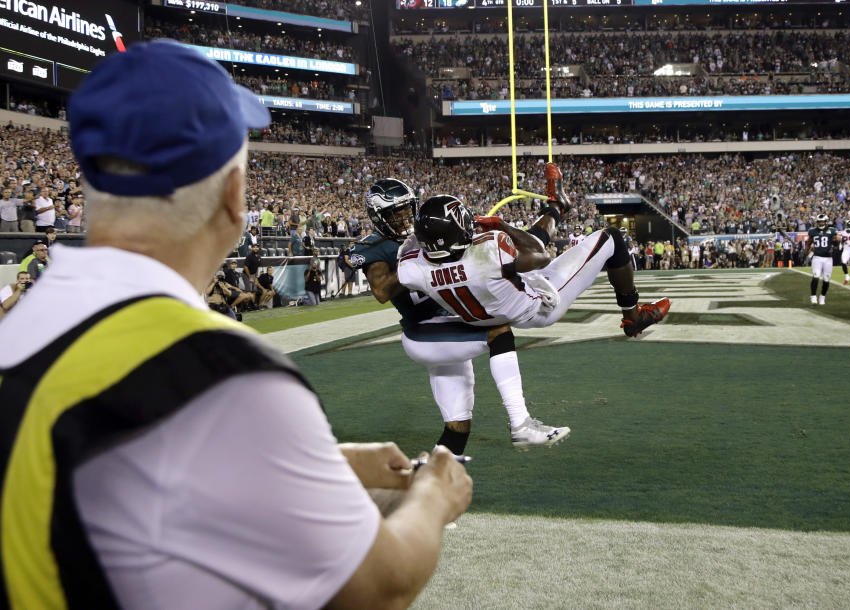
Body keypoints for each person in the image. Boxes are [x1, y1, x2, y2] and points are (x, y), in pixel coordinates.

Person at [0, 41, 471, 610]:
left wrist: (325, 463)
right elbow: (379, 585)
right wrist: (434, 496)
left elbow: (113, 473)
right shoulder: (221, 370)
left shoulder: (24, 319)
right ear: (232, 195)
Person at [350, 177, 569, 452]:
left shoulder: (432, 231)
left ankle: (430, 486)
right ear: (378, 217)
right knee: (498, 331)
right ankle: (521, 424)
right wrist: (417, 260)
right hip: (424, 331)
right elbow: (381, 290)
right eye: (395, 214)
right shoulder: (378, 247)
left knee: (457, 429)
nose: (404, 219)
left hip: (451, 327)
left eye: (407, 210)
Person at [396, 165, 670, 337]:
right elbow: (540, 253)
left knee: (517, 255)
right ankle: (633, 317)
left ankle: (556, 206)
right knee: (611, 239)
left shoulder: (413, 269)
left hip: (486, 314)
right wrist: (500, 224)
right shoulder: (486, 256)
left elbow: (413, 263)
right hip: (537, 305)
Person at [804, 213, 839, 305]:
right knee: (816, 276)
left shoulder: (832, 231)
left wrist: (836, 241)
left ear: (826, 221)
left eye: (823, 221)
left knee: (826, 279)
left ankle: (822, 296)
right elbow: (808, 242)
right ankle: (813, 296)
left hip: (828, 258)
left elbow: (836, 243)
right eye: (819, 222)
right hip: (817, 257)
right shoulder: (813, 231)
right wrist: (807, 251)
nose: (821, 223)